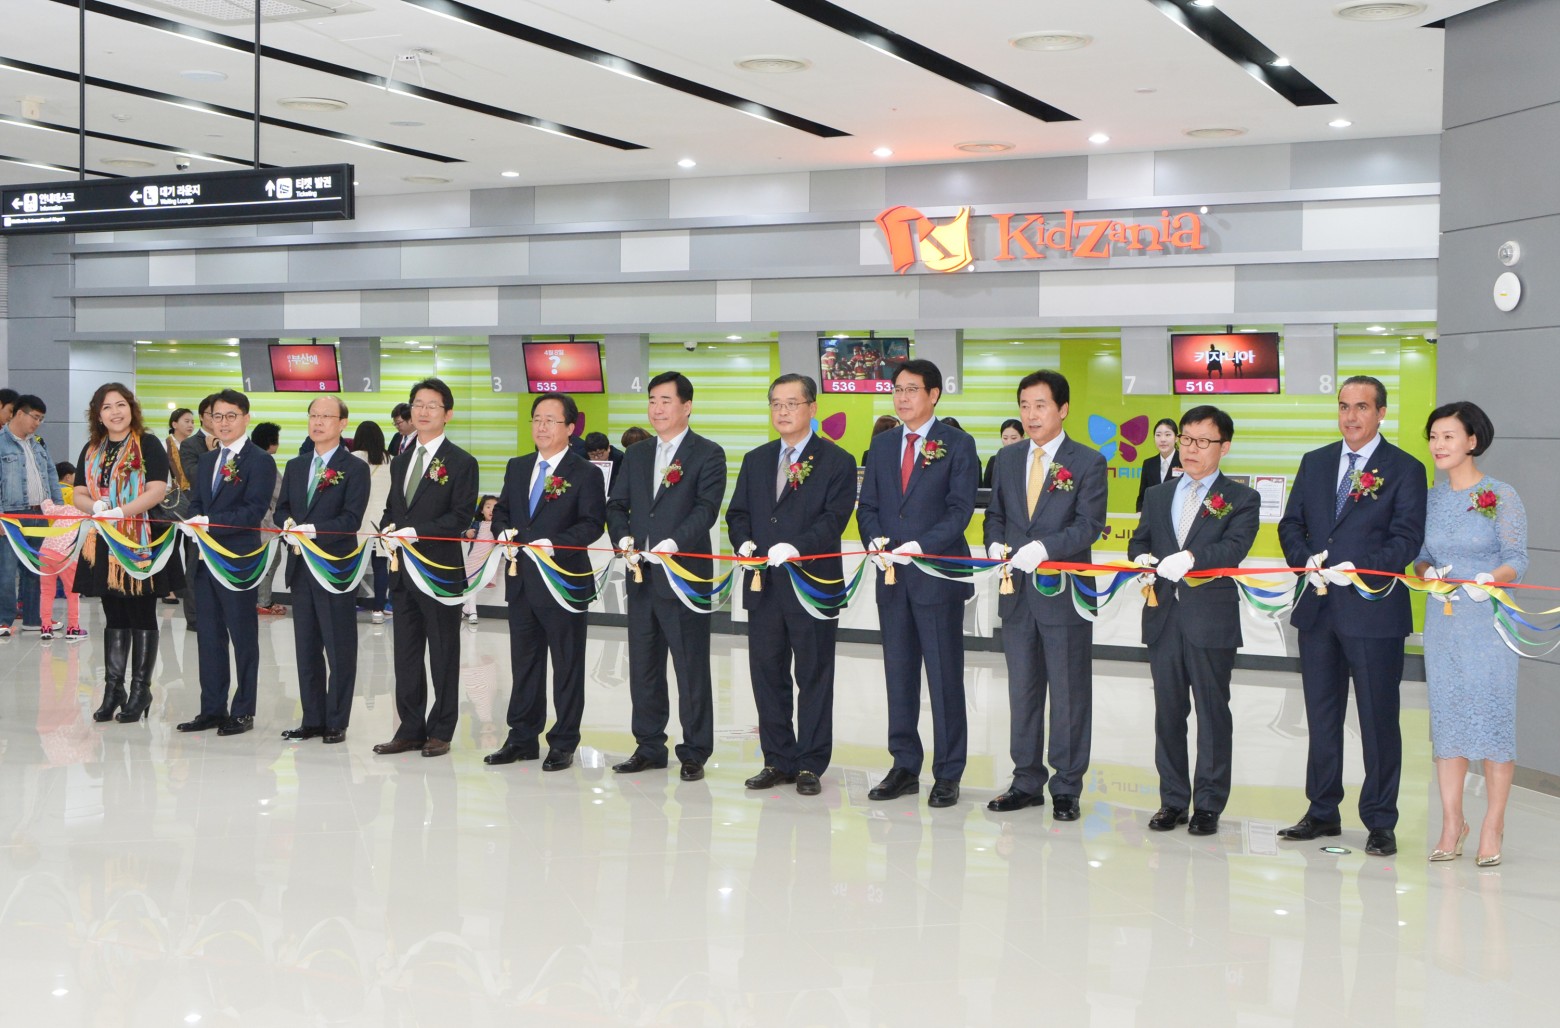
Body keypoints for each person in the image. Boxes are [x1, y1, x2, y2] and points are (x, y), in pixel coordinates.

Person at [1276, 375, 1427, 857]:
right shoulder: (1316, 462)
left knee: (1377, 720)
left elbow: (1406, 539)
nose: (1351, 416)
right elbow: (1290, 524)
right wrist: (1306, 560)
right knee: (1321, 717)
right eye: (1344, 406)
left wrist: (1358, 569)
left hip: (1373, 611)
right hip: (1318, 608)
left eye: (1362, 407)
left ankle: (1380, 821)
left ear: (1381, 413)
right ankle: (1322, 811)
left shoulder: (1405, 468)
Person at [981, 370, 1108, 820]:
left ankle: (1067, 786)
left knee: (1069, 693)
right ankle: (1026, 780)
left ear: (1063, 409)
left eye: (1040, 405)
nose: (1031, 415)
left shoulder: (1087, 461)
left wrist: (1044, 548)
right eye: (1024, 406)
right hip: (1016, 595)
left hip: (1064, 595)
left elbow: (1089, 525)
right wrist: (994, 542)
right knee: (1023, 691)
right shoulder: (1007, 458)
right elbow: (995, 514)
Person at [1127, 406, 1259, 835]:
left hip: (1210, 619)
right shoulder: (1158, 494)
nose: (1191, 449)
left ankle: (1208, 804)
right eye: (1187, 439)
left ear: (1225, 447)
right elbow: (1139, 541)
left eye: (1203, 441)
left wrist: (1192, 557)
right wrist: (1141, 559)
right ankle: (1172, 800)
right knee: (1168, 713)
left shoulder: (1241, 498)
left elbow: (1234, 548)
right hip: (1163, 616)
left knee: (1212, 713)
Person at [726, 373, 857, 796]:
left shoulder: (837, 460)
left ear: (812, 408)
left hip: (811, 585)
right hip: (763, 585)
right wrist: (743, 541)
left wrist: (796, 547)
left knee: (814, 675)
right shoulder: (757, 459)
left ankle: (810, 763)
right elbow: (737, 513)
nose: (783, 411)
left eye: (792, 403)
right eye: (776, 404)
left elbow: (833, 520)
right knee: (767, 674)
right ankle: (777, 759)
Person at [857, 359, 978, 808]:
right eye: (897, 389)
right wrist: (875, 540)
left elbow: (960, 509)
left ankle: (948, 772)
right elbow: (868, 505)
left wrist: (920, 546)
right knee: (899, 676)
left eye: (911, 389)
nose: (902, 397)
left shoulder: (958, 444)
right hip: (892, 579)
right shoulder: (883, 445)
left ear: (934, 395)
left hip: (937, 578)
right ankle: (904, 765)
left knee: (944, 678)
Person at [1415, 401, 1526, 867]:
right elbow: (1420, 554)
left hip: (1489, 622)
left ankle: (1493, 824)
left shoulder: (1501, 494)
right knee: (1449, 721)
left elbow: (1517, 558)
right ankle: (1451, 822)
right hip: (1444, 621)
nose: (1438, 445)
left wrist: (1491, 579)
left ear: (1472, 441)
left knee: (1493, 719)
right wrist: (1426, 572)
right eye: (1433, 436)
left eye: (1448, 436)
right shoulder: (1431, 498)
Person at [606, 371, 727, 782]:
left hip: (684, 576)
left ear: (686, 406)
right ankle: (649, 746)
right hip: (641, 575)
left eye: (665, 401)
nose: (656, 408)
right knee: (644, 665)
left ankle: (695, 750)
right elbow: (616, 504)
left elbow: (706, 508)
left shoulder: (707, 453)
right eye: (652, 400)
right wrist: (622, 537)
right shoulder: (637, 454)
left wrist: (674, 542)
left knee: (690, 666)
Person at [485, 393, 608, 771]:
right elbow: (502, 511)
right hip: (522, 581)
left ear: (570, 428)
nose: (541, 426)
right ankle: (521, 737)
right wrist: (502, 531)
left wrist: (555, 544)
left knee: (567, 665)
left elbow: (592, 524)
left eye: (550, 420)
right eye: (537, 419)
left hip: (563, 582)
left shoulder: (585, 472)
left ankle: (564, 742)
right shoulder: (518, 466)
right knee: (525, 663)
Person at [372, 378, 480, 759]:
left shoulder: (462, 462)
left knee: (443, 653)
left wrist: (417, 532)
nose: (423, 411)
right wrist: (387, 529)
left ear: (448, 414)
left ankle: (441, 729)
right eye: (418, 404)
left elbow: (460, 517)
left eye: (432, 405)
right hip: (402, 572)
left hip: (439, 573)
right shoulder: (401, 460)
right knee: (405, 654)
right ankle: (410, 728)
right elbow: (393, 509)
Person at [71, 384, 185, 722]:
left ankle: (140, 690)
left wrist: (122, 512)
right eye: (107, 407)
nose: (115, 412)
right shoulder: (92, 448)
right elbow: (78, 492)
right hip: (104, 539)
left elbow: (157, 490)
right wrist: (96, 507)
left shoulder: (147, 443)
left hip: (140, 540)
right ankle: (114, 689)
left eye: (120, 405)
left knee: (141, 613)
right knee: (114, 614)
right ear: (98, 415)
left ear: (131, 409)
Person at [177, 389, 278, 737]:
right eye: (217, 416)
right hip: (205, 561)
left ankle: (244, 710)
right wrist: (194, 520)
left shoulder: (259, 461)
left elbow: (254, 510)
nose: (223, 422)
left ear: (246, 418)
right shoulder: (207, 461)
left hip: (238, 562)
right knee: (209, 636)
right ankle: (212, 709)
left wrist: (211, 523)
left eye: (231, 416)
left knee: (243, 636)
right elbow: (197, 501)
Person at [274, 396, 370, 745]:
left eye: (326, 416)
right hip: (301, 568)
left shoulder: (354, 468)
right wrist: (286, 524)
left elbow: (351, 519)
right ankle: (312, 719)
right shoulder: (297, 465)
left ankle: (336, 720)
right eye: (313, 415)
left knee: (339, 647)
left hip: (334, 570)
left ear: (342, 423)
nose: (317, 422)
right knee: (307, 649)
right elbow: (281, 508)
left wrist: (313, 530)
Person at [0, 395, 63, 638]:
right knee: (6, 570)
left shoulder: (38, 444)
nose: (37, 423)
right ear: (19, 413)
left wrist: (58, 508)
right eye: (35, 417)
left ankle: (34, 618)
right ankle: (4, 619)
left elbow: (52, 475)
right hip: (10, 515)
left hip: (41, 513)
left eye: (41, 419)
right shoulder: (2, 442)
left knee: (36, 569)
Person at [178, 394, 220, 631]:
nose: (219, 420)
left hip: (225, 517)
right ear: (203, 417)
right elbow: (195, 477)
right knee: (195, 566)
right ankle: (194, 617)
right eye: (214, 415)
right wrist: (212, 453)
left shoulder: (231, 443)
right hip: (199, 514)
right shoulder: (191, 444)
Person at [350, 420, 395, 624]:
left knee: (353, 566)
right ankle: (378, 609)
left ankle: (348, 605)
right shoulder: (392, 460)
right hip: (382, 522)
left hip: (358, 520)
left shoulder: (352, 458)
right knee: (381, 567)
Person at [251, 422, 287, 616]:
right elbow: (279, 492)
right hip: (266, 521)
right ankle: (263, 602)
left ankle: (262, 600)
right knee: (270, 559)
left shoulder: (251, 458)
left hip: (256, 521)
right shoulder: (266, 462)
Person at [163, 408, 195, 605]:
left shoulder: (194, 446)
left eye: (192, 421)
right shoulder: (165, 445)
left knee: (191, 545)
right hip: (171, 500)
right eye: (186, 421)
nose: (191, 425)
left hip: (192, 499)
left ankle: (190, 589)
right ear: (174, 424)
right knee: (171, 545)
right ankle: (169, 589)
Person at [462, 495, 498, 626]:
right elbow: (464, 536)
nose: (491, 510)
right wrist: (467, 534)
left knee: (478, 586)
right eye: (488, 507)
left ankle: (465, 608)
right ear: (482, 510)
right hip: (474, 559)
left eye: (495, 508)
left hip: (488, 561)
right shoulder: (477, 523)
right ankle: (473, 612)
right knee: (472, 585)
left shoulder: (498, 526)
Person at [1135, 418, 1182, 512]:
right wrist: (1140, 514)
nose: (1163, 439)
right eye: (1158, 435)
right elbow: (1143, 496)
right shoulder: (1148, 464)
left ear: (1176, 438)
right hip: (1153, 515)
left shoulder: (1184, 461)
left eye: (1168, 435)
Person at [981, 418, 1024, 488]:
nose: (1009, 442)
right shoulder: (994, 460)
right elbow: (987, 488)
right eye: (1005, 438)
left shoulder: (1028, 459)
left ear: (1022, 438)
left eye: (1013, 438)